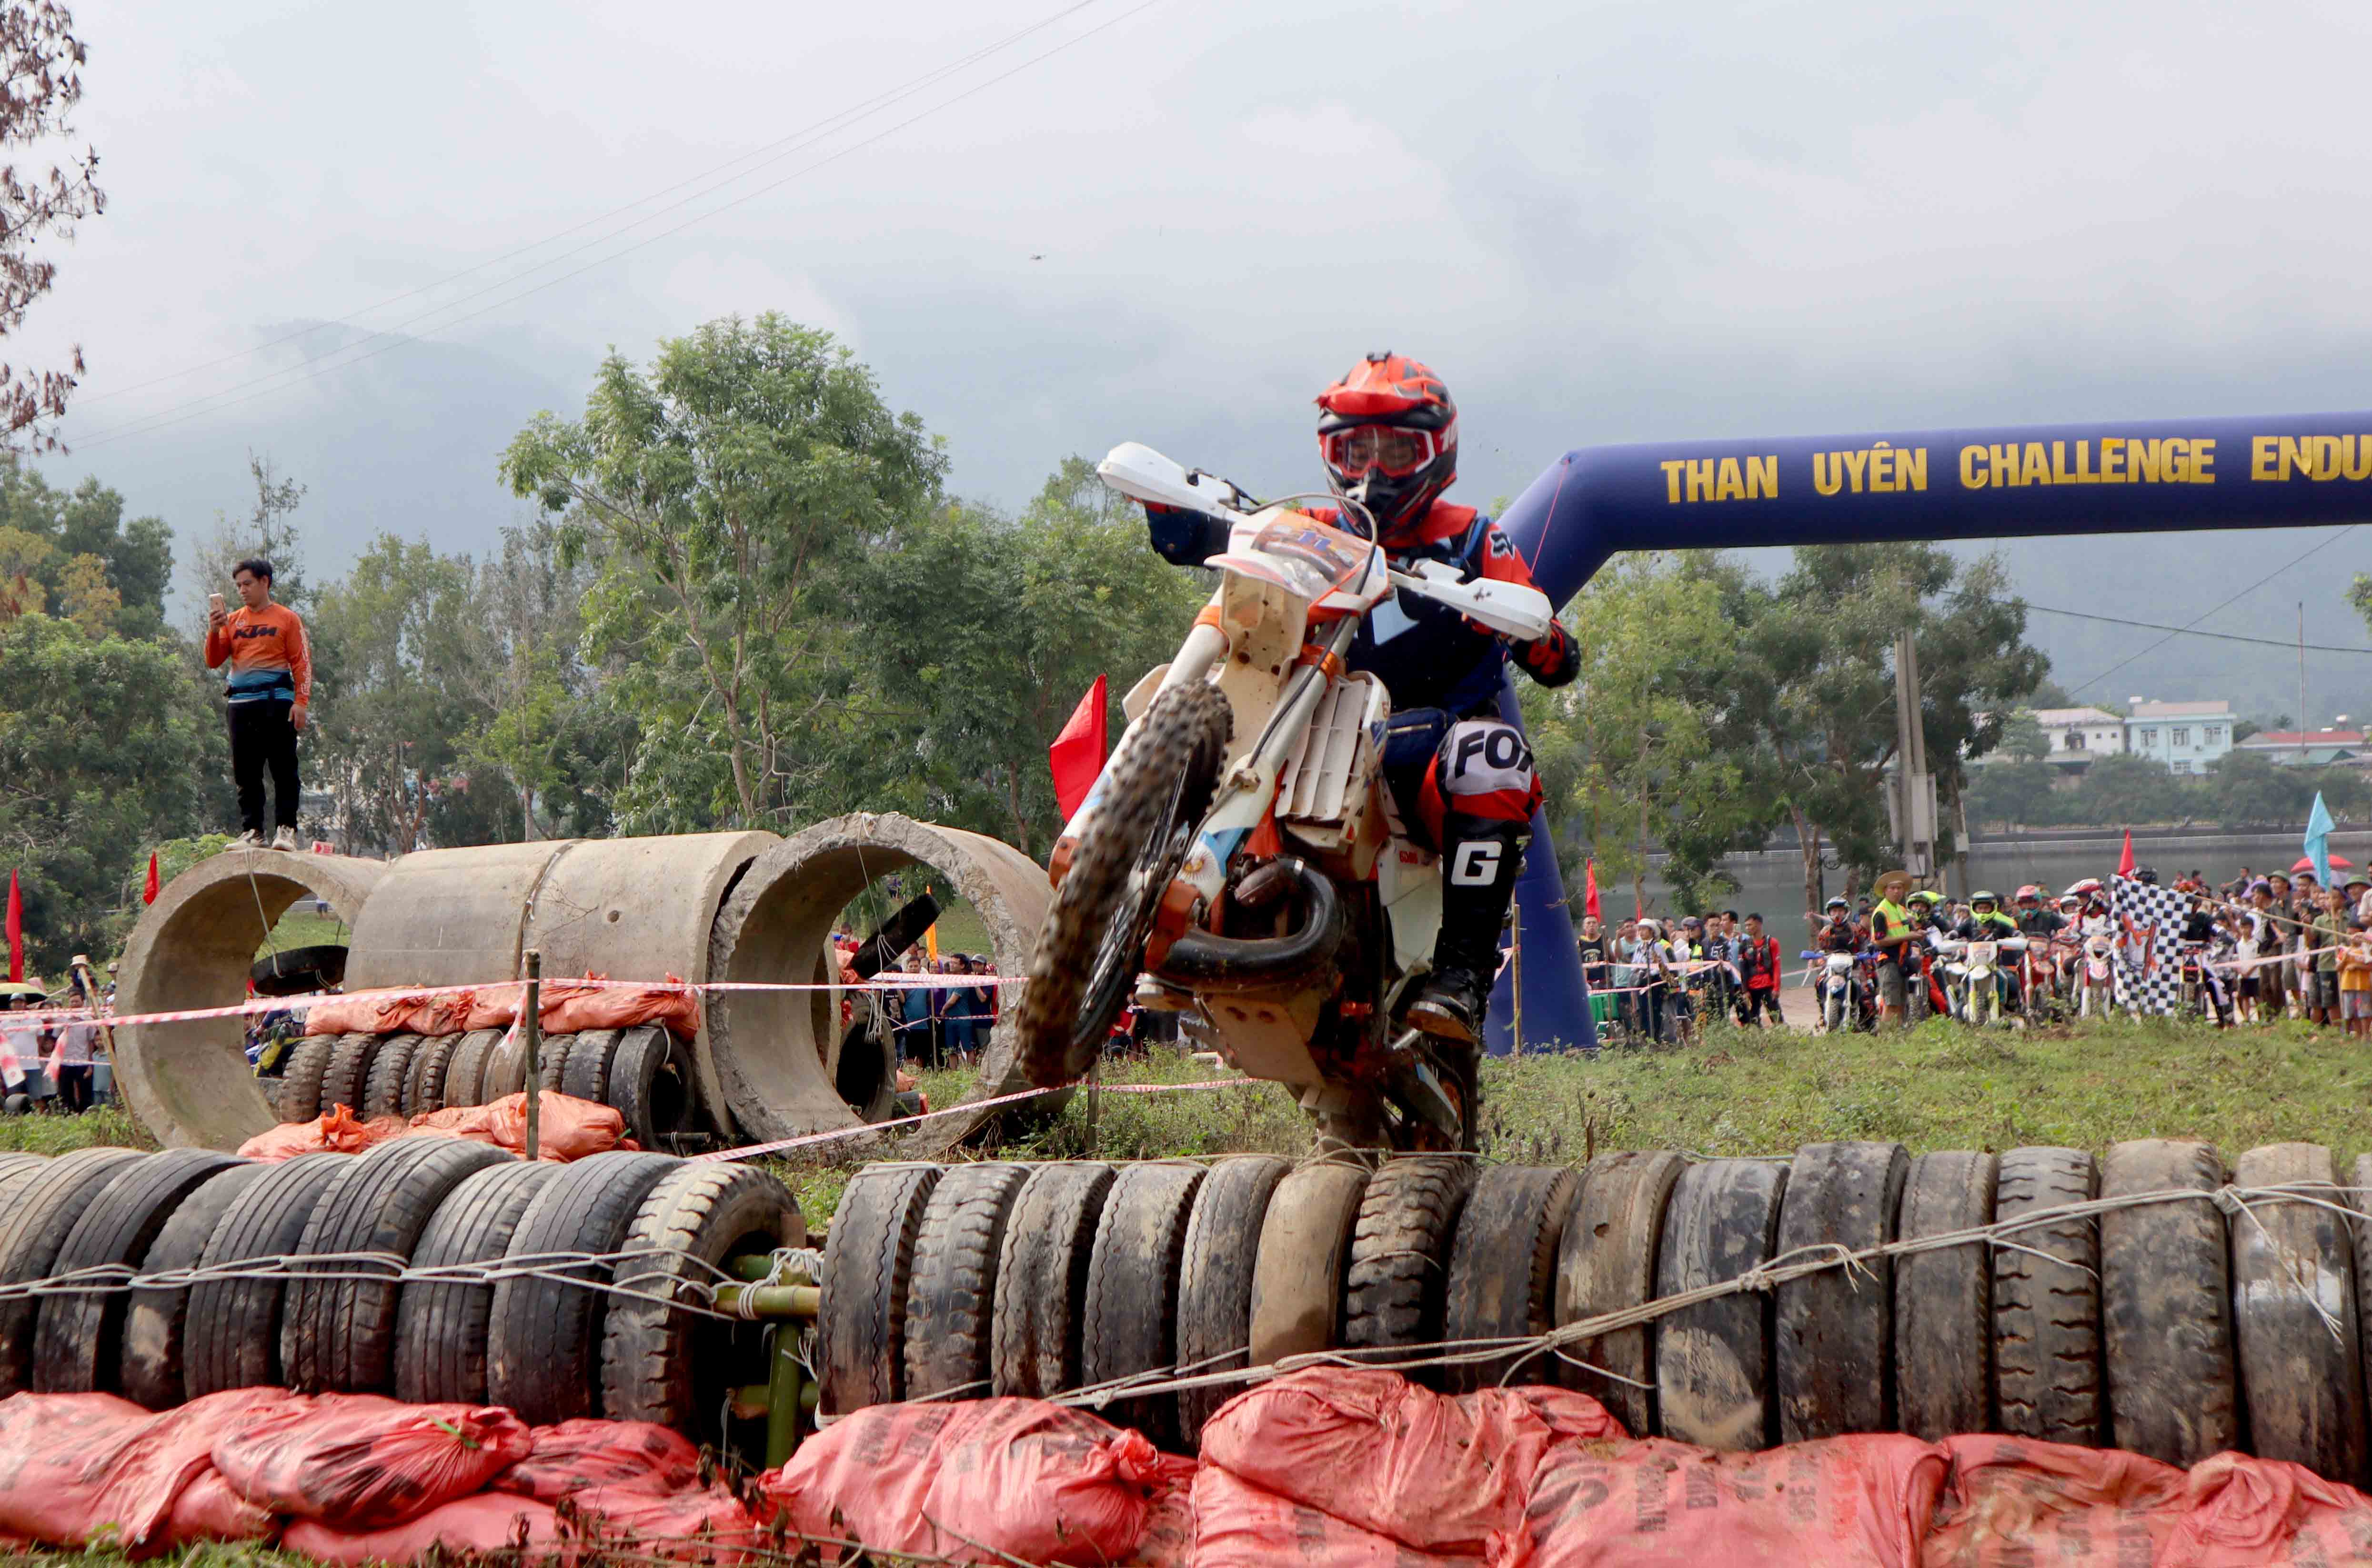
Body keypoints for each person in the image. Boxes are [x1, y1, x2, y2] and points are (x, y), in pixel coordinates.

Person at [1139, 353, 1578, 1048]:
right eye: (1355, 448)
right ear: (1329, 452)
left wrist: (1530, 628)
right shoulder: (1310, 521)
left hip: (1427, 756)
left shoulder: (1474, 537)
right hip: (1309, 737)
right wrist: (1176, 511)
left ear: (1436, 452)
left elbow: (1556, 657)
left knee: (1495, 754)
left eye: (1397, 448)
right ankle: (1159, 914)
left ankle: (1461, 977)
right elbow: (1219, 540)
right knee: (1221, 719)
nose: (1374, 467)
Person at [203, 557, 312, 850]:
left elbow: (301, 663)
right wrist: (214, 630)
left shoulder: (287, 619)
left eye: (248, 584)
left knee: (284, 769)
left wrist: (301, 702)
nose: (242, 590)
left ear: (265, 582)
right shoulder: (234, 620)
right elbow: (214, 660)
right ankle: (253, 831)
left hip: (276, 703)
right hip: (240, 704)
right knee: (246, 772)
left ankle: (286, 829)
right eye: (238, 586)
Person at [1866, 871, 1921, 1027]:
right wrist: (1908, 937)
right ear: (1885, 891)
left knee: (1901, 1004)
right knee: (1890, 1005)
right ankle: (1885, 1040)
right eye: (1893, 888)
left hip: (1902, 961)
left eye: (1899, 888)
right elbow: (1880, 940)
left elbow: (1908, 930)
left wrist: (1917, 933)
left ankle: (1896, 1037)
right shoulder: (1881, 913)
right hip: (1888, 962)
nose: (1896, 891)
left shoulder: (1901, 910)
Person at [2310, 887, 2349, 1027]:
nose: (2330, 901)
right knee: (2330, 1001)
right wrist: (2306, 928)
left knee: (2347, 999)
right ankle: (2336, 1031)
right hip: (2326, 965)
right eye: (2327, 898)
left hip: (2347, 965)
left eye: (2334, 898)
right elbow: (2311, 940)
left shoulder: (2349, 918)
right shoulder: (2320, 920)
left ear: (2343, 900)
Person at [1736, 913, 1784, 1028]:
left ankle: (1783, 1038)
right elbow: (1743, 969)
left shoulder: (1772, 942)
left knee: (1776, 1016)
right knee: (1753, 1017)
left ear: (1758, 924)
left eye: (1750, 925)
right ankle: (1758, 1040)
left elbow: (1777, 966)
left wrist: (1776, 988)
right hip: (1752, 988)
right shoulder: (1743, 945)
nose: (1747, 928)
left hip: (1768, 986)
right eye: (1746, 926)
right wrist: (1745, 990)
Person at [2340, 924, 2372, 1040]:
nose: (2353, 938)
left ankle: (2365, 1036)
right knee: (2349, 1012)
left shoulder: (2366, 951)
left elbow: (2370, 966)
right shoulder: (2344, 950)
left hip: (2363, 986)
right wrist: (2345, 959)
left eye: (2355, 935)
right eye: (2350, 935)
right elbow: (2338, 967)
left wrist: (2357, 966)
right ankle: (2348, 1035)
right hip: (2348, 985)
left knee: (2364, 1011)